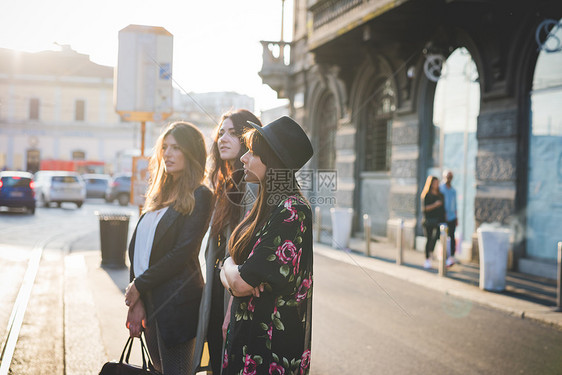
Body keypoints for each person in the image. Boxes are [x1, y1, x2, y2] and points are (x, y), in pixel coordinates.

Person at [220, 116, 314, 375]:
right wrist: (232, 267)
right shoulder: (266, 206)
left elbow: (239, 283)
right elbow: (235, 276)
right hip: (246, 340)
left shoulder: (292, 210)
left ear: (272, 161)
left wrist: (231, 267)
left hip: (269, 349)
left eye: (252, 152)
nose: (243, 158)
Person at [125, 121, 214, 375]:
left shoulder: (200, 195)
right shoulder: (158, 195)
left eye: (176, 148)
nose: (167, 154)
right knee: (158, 370)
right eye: (164, 147)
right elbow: (139, 250)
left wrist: (139, 285)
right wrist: (138, 299)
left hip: (177, 307)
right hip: (151, 305)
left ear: (192, 152)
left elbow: (182, 253)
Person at [192, 109, 263, 375]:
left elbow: (248, 253)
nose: (223, 138)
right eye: (221, 132)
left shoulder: (254, 186)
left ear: (250, 140)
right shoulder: (223, 186)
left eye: (233, 133)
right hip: (215, 291)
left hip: (234, 295)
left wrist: (232, 308)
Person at [421, 175, 445, 269]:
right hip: (428, 220)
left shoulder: (440, 195)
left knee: (436, 237)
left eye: (437, 183)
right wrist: (435, 205)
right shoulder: (426, 194)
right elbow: (424, 209)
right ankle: (427, 259)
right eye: (434, 183)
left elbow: (443, 209)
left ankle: (431, 251)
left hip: (438, 220)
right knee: (429, 238)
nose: (436, 184)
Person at [440, 170, 458, 266]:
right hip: (443, 217)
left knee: (452, 236)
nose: (449, 178)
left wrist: (456, 217)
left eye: (450, 176)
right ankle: (444, 256)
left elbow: (455, 205)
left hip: (452, 217)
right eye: (447, 176)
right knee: (443, 237)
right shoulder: (440, 188)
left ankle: (451, 256)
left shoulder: (453, 190)